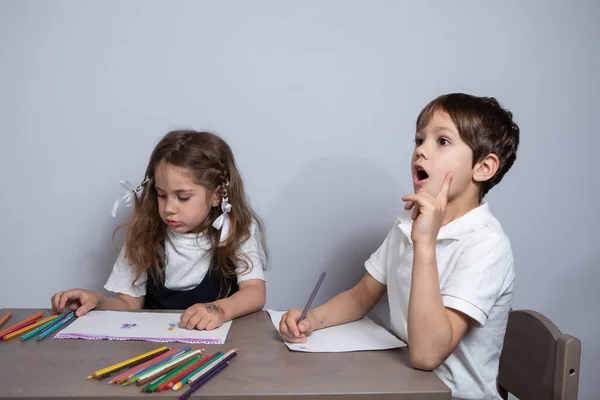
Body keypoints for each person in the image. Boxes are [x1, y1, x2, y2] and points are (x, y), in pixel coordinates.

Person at [280, 93, 520, 399]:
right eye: (419, 139)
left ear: (483, 168)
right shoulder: (406, 224)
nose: (421, 150)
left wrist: (425, 246)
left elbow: (427, 355)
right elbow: (362, 295)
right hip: (400, 385)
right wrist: (310, 320)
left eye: (441, 141)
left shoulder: (486, 245)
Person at [52, 130, 268, 331]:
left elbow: (254, 292)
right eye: (161, 195)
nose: (169, 208)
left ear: (216, 195)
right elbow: (128, 303)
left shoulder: (236, 230)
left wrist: (219, 310)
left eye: (183, 197)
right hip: (155, 350)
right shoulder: (145, 233)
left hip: (219, 348)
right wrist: (98, 302)